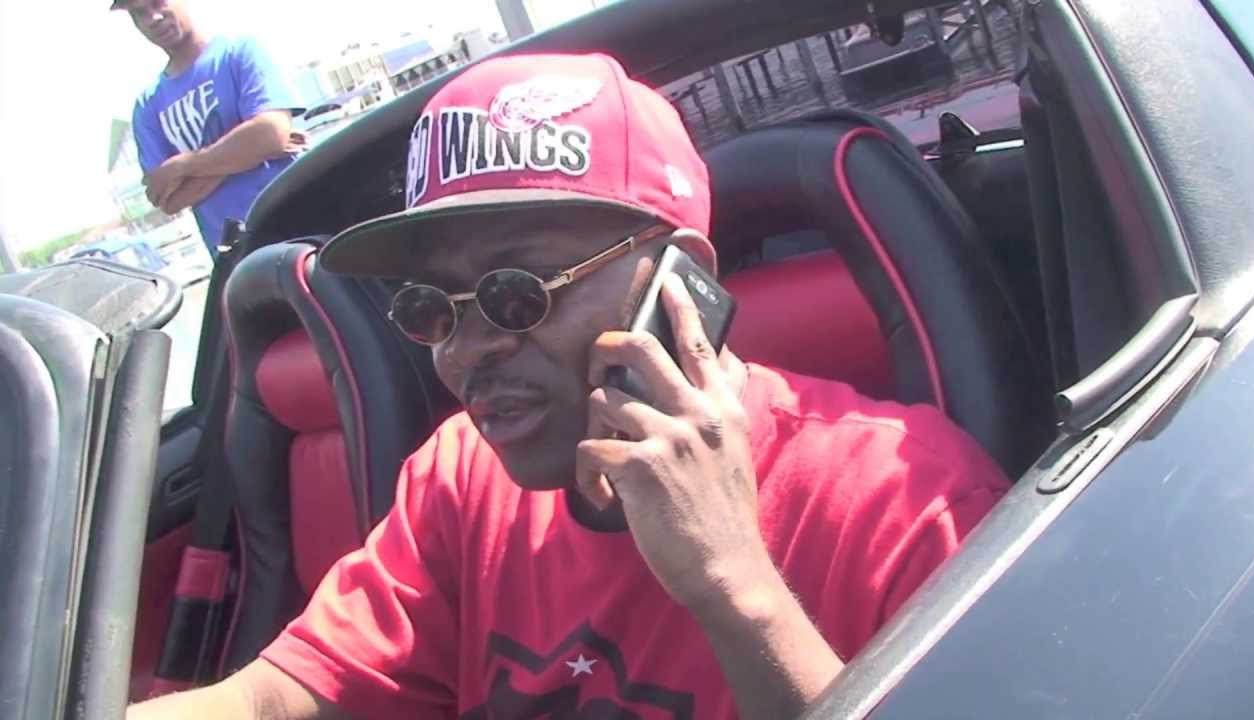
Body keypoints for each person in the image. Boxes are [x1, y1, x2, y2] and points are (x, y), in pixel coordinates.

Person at [129, 52, 1009, 720]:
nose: (466, 354)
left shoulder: (906, 503)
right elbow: (280, 694)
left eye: (518, 294)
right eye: (432, 308)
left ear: (680, 280)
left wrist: (734, 588)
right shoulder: (461, 475)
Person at [114, 0, 304, 252]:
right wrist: (250, 149)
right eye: (139, 13)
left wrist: (182, 166)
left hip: (300, 228)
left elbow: (270, 133)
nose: (154, 18)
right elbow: (168, 199)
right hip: (236, 259)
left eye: (158, 2)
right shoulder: (148, 106)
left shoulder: (239, 52)